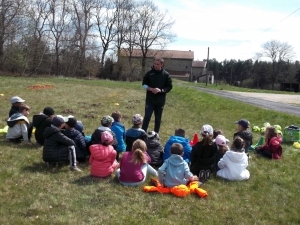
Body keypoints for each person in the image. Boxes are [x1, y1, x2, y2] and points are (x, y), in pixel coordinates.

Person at [142, 57, 173, 133]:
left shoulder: (166, 75)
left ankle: (156, 135)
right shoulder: (149, 73)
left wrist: (161, 90)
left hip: (160, 101)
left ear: (162, 65)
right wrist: (151, 89)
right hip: (150, 100)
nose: (155, 65)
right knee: (147, 117)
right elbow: (143, 84)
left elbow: (169, 86)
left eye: (157, 64)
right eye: (155, 63)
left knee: (158, 119)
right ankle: (142, 133)